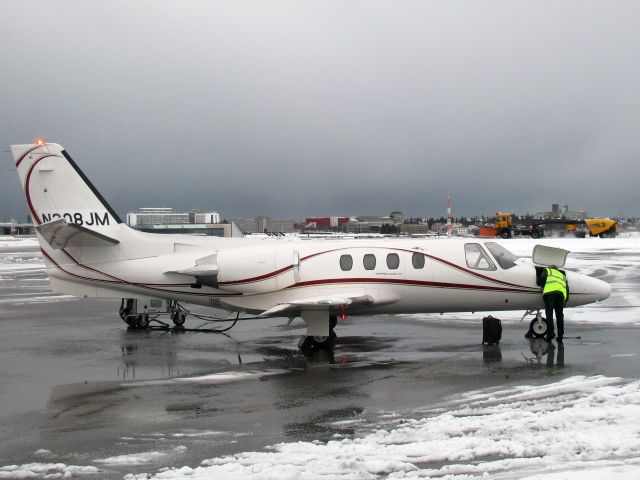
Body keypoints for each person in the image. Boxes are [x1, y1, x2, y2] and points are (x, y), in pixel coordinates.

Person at [538, 265, 569, 343]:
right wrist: (566, 300)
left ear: (551, 268)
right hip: (560, 296)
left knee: (549, 314)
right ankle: (560, 335)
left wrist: (542, 286)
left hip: (550, 294)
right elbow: (566, 287)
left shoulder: (548, 270)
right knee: (559, 315)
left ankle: (550, 333)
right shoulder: (562, 275)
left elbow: (542, 278)